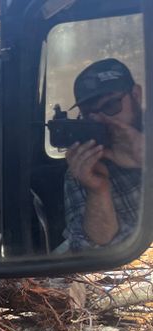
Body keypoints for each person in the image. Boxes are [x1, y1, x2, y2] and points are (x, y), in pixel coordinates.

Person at [63, 58, 143, 250]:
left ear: (136, 95)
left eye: (110, 106)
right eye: (90, 114)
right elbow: (90, 252)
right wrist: (98, 190)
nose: (102, 120)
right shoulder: (85, 166)